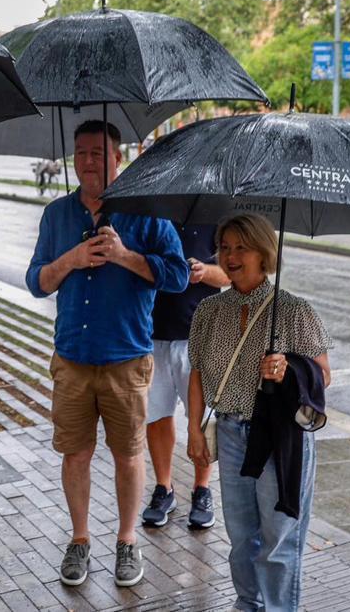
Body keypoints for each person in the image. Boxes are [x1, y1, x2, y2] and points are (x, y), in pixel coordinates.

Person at [26, 120, 189, 588]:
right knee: (75, 455)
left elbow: (177, 276)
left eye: (98, 152)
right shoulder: (57, 216)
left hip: (126, 360)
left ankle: (126, 540)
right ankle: (79, 540)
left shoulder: (148, 214)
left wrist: (123, 255)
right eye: (80, 152)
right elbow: (36, 281)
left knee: (128, 455)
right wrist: (69, 261)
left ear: (119, 156)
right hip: (73, 359)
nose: (88, 161)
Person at [185, 213, 332, 612]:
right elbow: (197, 374)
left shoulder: (294, 310)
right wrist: (194, 431)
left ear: (264, 253)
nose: (230, 256)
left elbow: (323, 376)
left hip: (280, 439)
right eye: (225, 247)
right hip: (231, 435)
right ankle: (247, 604)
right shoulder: (209, 312)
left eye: (241, 248)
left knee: (279, 538)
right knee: (241, 536)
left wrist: (288, 369)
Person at [141, 224, 230, 529]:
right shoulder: (152, 217)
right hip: (153, 334)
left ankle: (202, 489)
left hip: (198, 336)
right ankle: (164, 488)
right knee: (157, 415)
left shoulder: (215, 217)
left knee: (201, 417)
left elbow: (230, 274)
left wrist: (204, 271)